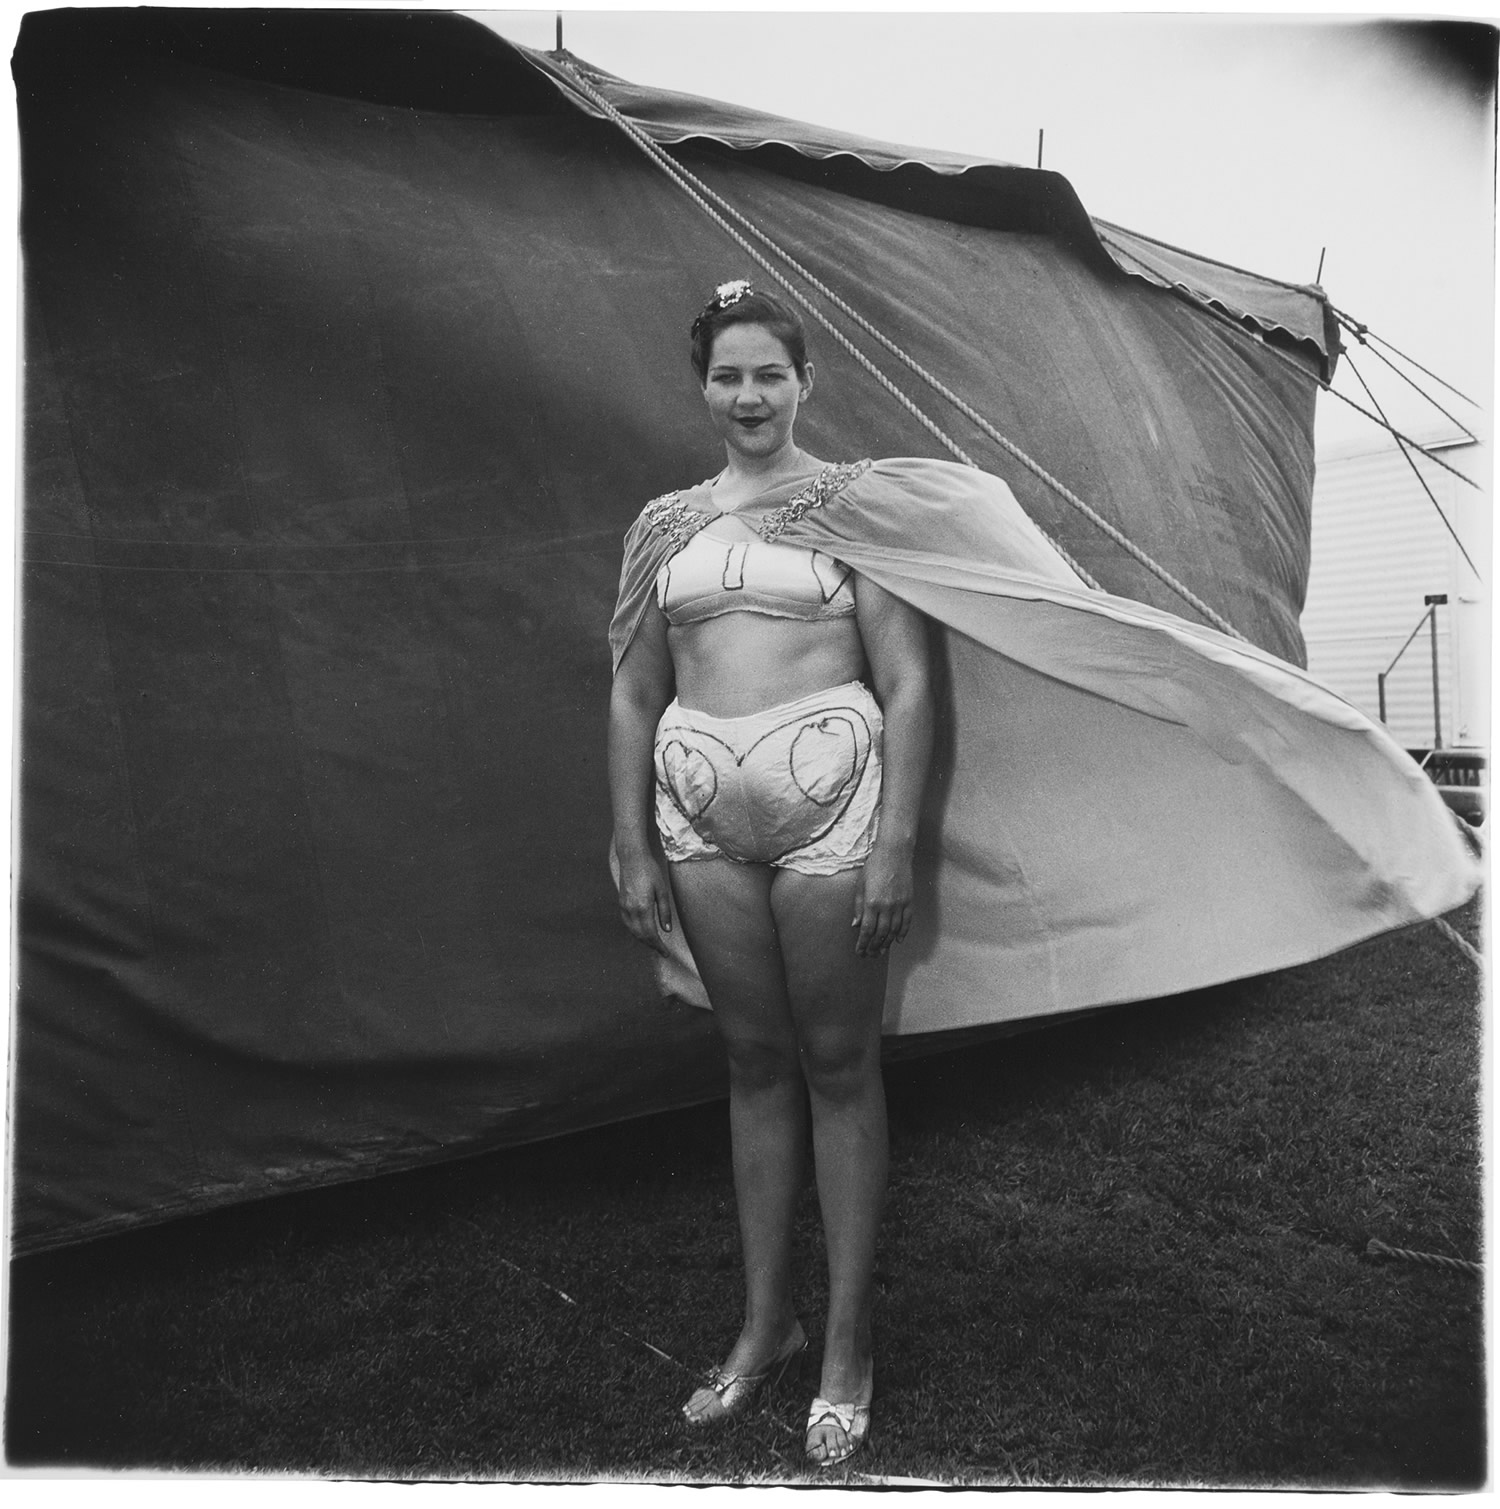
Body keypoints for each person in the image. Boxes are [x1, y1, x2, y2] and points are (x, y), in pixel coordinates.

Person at [607, 280, 934, 1468]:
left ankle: (846, 1345)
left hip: (834, 814)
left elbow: (907, 679)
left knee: (839, 1063)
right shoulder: (664, 526)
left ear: (807, 382)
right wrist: (631, 838)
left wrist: (896, 836)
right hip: (698, 821)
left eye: (769, 373)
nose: (748, 395)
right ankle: (766, 1326)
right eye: (727, 374)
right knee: (750, 1060)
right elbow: (636, 687)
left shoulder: (858, 510)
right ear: (704, 386)